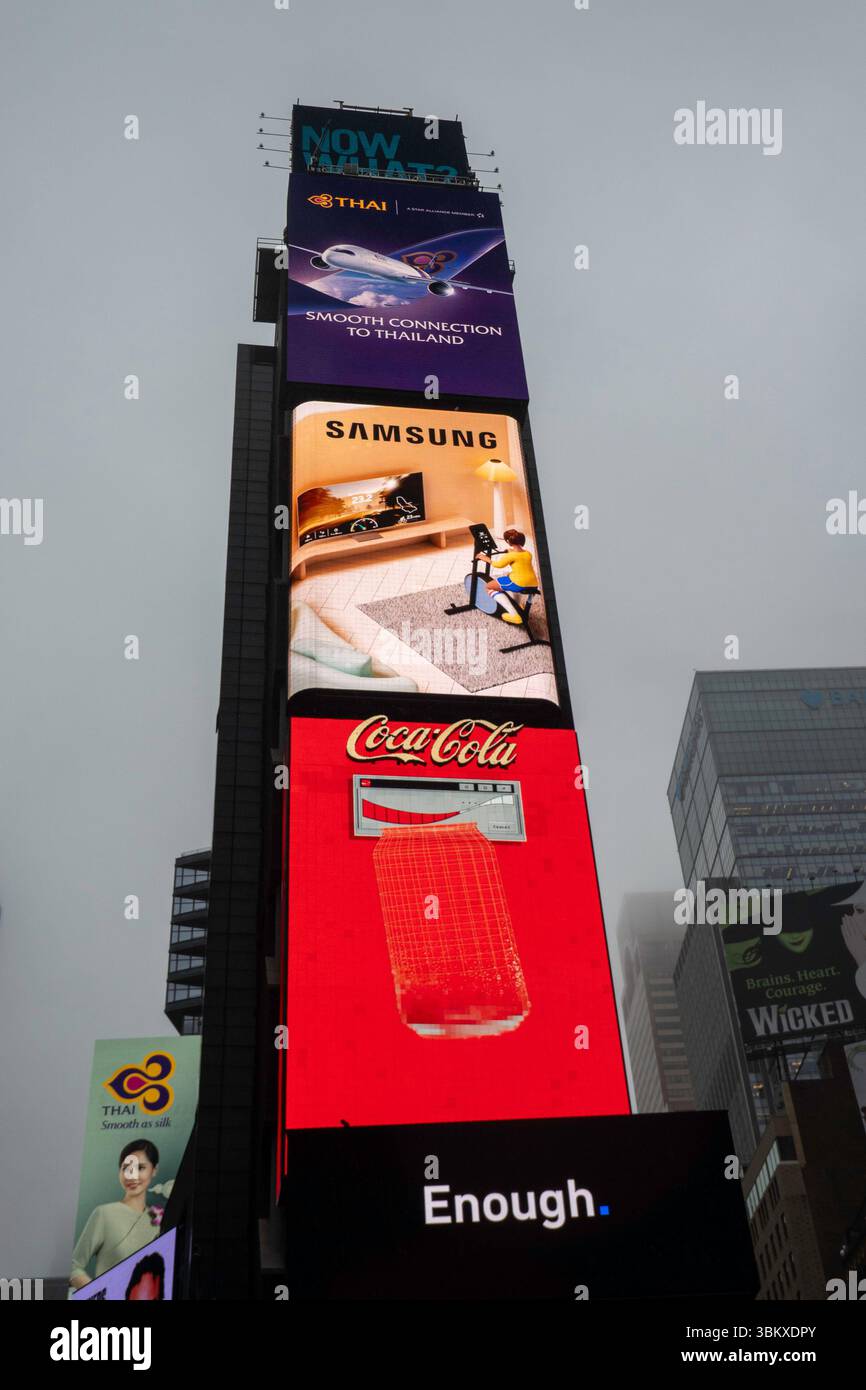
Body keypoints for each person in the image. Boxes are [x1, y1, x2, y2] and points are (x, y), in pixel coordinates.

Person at [69, 1139, 163, 1291]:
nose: (132, 1175)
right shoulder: (104, 1214)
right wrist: (97, 1292)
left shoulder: (159, 1219)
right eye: (126, 1168)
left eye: (140, 1167)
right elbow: (73, 1266)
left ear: (154, 1170)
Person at [475, 528, 538, 626]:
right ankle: (517, 604)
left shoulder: (511, 556)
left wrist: (485, 558)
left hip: (519, 583)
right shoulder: (528, 554)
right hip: (533, 583)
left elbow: (498, 565)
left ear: (508, 541)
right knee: (508, 576)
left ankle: (514, 615)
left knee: (489, 586)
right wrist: (510, 551)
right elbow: (519, 560)